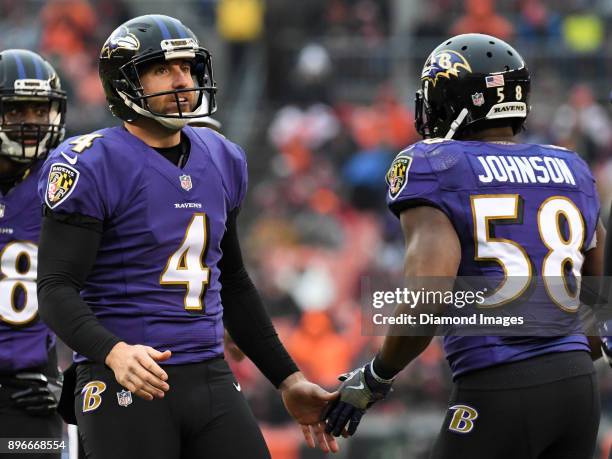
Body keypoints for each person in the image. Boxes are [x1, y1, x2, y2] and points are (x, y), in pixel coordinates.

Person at [36, 14, 338, 459]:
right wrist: (113, 351)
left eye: (188, 68)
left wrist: (288, 379)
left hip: (209, 374)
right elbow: (55, 288)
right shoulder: (91, 163)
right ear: (125, 82)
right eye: (163, 69)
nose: (182, 81)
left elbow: (232, 281)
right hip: (126, 376)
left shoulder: (222, 156)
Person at [323, 33, 604, 459]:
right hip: (579, 391)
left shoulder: (435, 164)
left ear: (453, 100)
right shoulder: (571, 166)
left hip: (499, 384)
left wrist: (377, 377)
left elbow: (427, 299)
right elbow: (598, 306)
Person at [0, 49, 67, 458]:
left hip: (30, 386)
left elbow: (107, 287)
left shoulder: (66, 181)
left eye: (40, 110)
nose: (31, 122)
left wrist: (70, 377)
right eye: (17, 109)